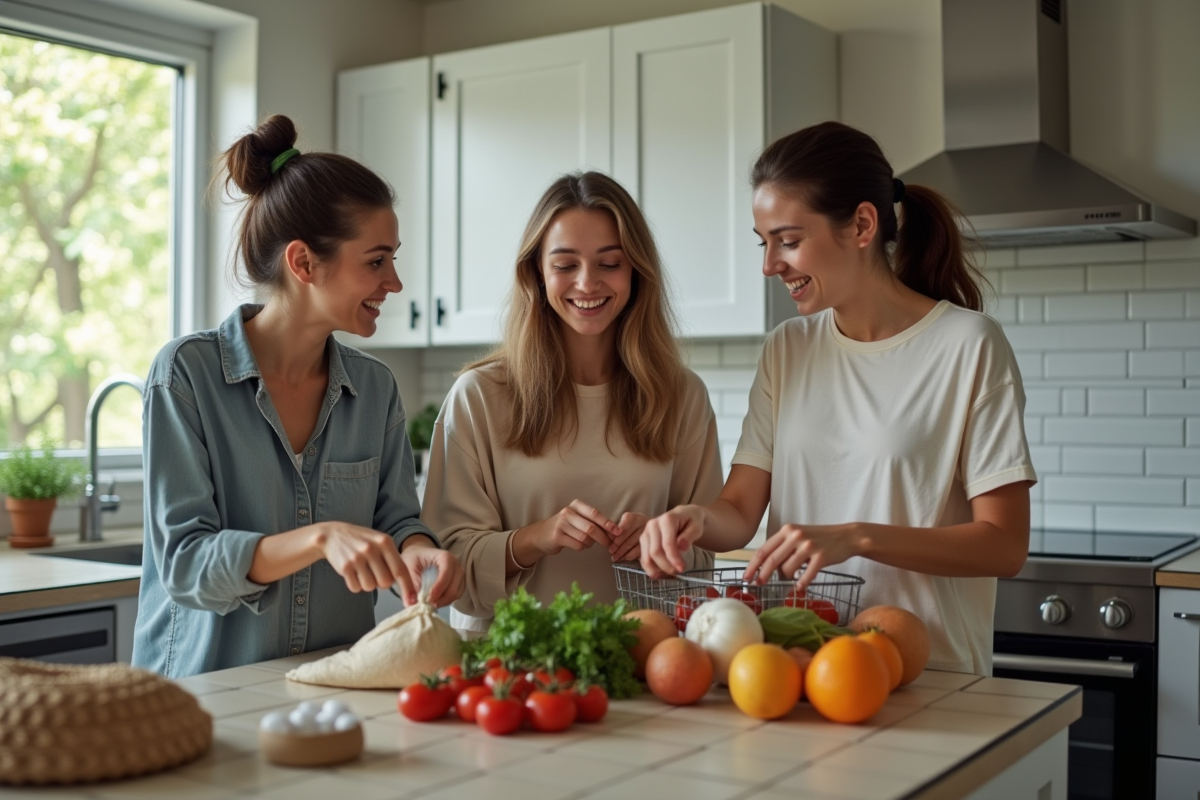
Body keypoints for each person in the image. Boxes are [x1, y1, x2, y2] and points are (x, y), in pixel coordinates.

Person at [639, 122, 1037, 676]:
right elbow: (740, 512)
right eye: (763, 242)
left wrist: (857, 536)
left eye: (789, 240)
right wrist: (692, 519)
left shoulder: (969, 345)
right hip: (798, 668)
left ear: (862, 225)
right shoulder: (787, 349)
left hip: (927, 674)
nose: (769, 265)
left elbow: (1004, 546)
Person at [132, 115, 464, 677]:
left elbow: (396, 518)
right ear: (304, 262)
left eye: (393, 259)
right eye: (376, 261)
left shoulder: (375, 388)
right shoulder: (186, 376)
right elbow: (185, 566)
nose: (395, 282)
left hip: (333, 685)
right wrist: (319, 538)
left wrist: (416, 549)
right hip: (205, 693)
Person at [422, 171, 723, 634]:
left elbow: (703, 561)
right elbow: (445, 569)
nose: (587, 283)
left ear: (636, 271)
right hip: (505, 666)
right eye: (565, 265)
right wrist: (534, 539)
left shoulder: (682, 397)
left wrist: (664, 543)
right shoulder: (478, 396)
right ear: (537, 273)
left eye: (610, 262)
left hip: (641, 658)